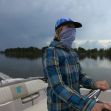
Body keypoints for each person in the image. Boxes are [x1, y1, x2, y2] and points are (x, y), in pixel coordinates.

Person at [42, 18, 111, 111]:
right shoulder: (50, 52)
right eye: (69, 27)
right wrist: (89, 105)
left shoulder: (73, 53)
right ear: (59, 30)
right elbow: (57, 86)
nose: (73, 31)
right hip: (59, 107)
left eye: (74, 28)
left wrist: (94, 84)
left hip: (75, 106)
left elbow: (80, 76)